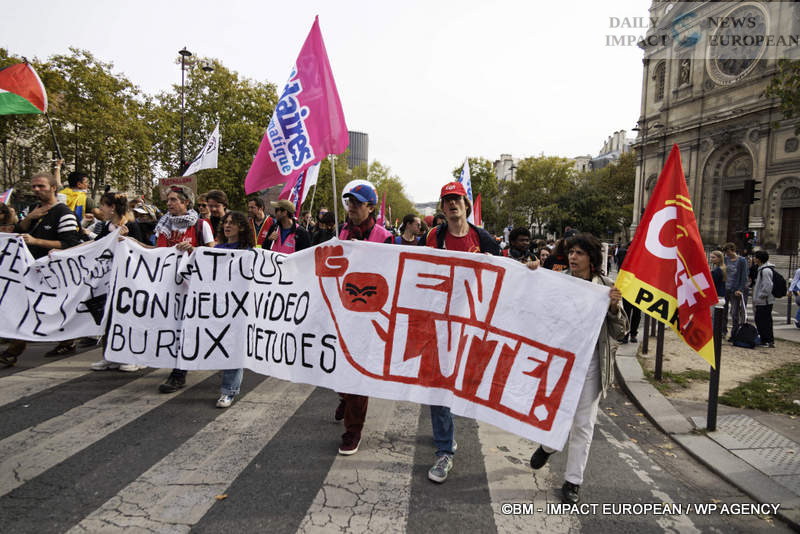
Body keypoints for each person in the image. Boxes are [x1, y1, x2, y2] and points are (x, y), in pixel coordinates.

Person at [528, 233, 627, 504]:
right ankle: (548, 446)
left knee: (584, 422)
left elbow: (622, 329)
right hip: (560, 361)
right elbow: (535, 302)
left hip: (592, 363)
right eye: (571, 251)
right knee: (557, 411)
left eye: (580, 253)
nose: (573, 257)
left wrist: (615, 307)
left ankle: (573, 481)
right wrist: (533, 273)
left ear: (591, 259)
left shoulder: (606, 287)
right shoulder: (558, 281)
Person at [424, 181, 500, 483]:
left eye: (456, 199)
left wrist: (530, 270)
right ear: (442, 208)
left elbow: (506, 274)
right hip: (438, 323)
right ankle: (444, 450)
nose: (452, 204)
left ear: (466, 204)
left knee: (468, 384)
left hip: (473, 324)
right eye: (447, 201)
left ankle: (448, 434)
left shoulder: (483, 239)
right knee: (438, 386)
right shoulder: (434, 237)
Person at [0, 171, 82, 367]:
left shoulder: (64, 213)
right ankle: (66, 341)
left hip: (52, 272)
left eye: (41, 186)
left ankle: (14, 349)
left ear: (53, 188)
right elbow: (18, 232)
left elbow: (70, 243)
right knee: (30, 308)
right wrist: (29, 218)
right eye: (34, 186)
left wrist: (37, 241)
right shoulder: (32, 209)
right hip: (29, 271)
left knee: (35, 309)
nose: (36, 190)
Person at [335, 181, 393, 456]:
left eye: (357, 203)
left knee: (357, 373)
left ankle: (353, 430)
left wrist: (365, 254)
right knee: (337, 368)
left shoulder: (384, 237)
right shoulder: (341, 231)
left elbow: (391, 274)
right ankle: (345, 397)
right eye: (349, 202)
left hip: (369, 314)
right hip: (342, 310)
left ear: (371, 207)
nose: (352, 207)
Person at [191, 211, 255, 407]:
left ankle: (229, 391)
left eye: (232, 223)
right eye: (226, 222)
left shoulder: (249, 252)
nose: (227, 226)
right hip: (219, 306)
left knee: (234, 348)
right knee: (222, 345)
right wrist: (189, 251)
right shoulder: (217, 249)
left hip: (240, 307)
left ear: (242, 227)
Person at [155, 185, 215, 393]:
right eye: (168, 200)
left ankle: (179, 373)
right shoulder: (164, 225)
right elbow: (157, 253)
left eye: (173, 200)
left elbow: (212, 253)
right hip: (169, 285)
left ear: (185, 203)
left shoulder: (201, 225)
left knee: (185, 328)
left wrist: (193, 250)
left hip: (191, 288)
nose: (169, 204)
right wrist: (128, 241)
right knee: (172, 327)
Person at [89, 192, 150, 371]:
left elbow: (141, 248)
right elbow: (95, 246)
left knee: (130, 316)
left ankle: (136, 357)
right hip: (110, 279)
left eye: (103, 205)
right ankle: (110, 355)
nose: (100, 209)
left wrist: (127, 239)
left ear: (112, 207)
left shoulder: (131, 225)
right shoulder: (107, 225)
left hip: (130, 280)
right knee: (109, 317)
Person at [722, 242, 748, 339]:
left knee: (734, 312)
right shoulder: (725, 259)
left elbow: (744, 276)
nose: (727, 254)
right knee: (723, 311)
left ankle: (734, 333)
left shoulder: (741, 261)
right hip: (725, 288)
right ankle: (723, 331)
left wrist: (740, 289)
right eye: (726, 252)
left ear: (733, 250)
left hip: (735, 289)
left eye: (728, 252)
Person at [752, 250, 775, 348]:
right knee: (761, 320)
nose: (754, 259)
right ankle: (765, 339)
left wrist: (761, 295)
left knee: (763, 321)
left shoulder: (765, 270)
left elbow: (768, 285)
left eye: (755, 257)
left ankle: (767, 340)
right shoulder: (762, 269)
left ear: (758, 259)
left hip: (764, 301)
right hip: (762, 300)